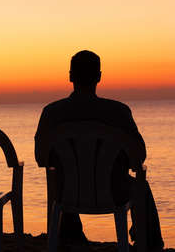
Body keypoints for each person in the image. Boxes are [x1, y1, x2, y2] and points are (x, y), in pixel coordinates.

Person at [34, 50, 164, 251]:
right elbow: (138, 158)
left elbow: (41, 159)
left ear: (70, 76)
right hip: (114, 192)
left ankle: (70, 236)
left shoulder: (52, 112)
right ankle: (150, 245)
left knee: (64, 176)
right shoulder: (119, 112)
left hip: (67, 193)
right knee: (141, 185)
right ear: (99, 77)